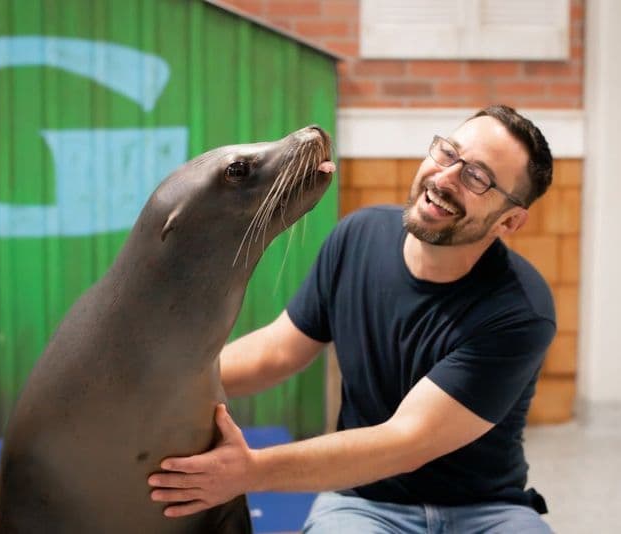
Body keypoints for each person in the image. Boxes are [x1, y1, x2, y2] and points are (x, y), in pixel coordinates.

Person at [148, 104, 556, 533]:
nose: (447, 176)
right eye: (448, 153)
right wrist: (171, 384)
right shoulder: (357, 237)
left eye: (477, 177)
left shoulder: (520, 312)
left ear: (509, 220)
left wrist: (249, 470)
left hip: (486, 512)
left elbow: (404, 442)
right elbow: (278, 350)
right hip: (365, 503)